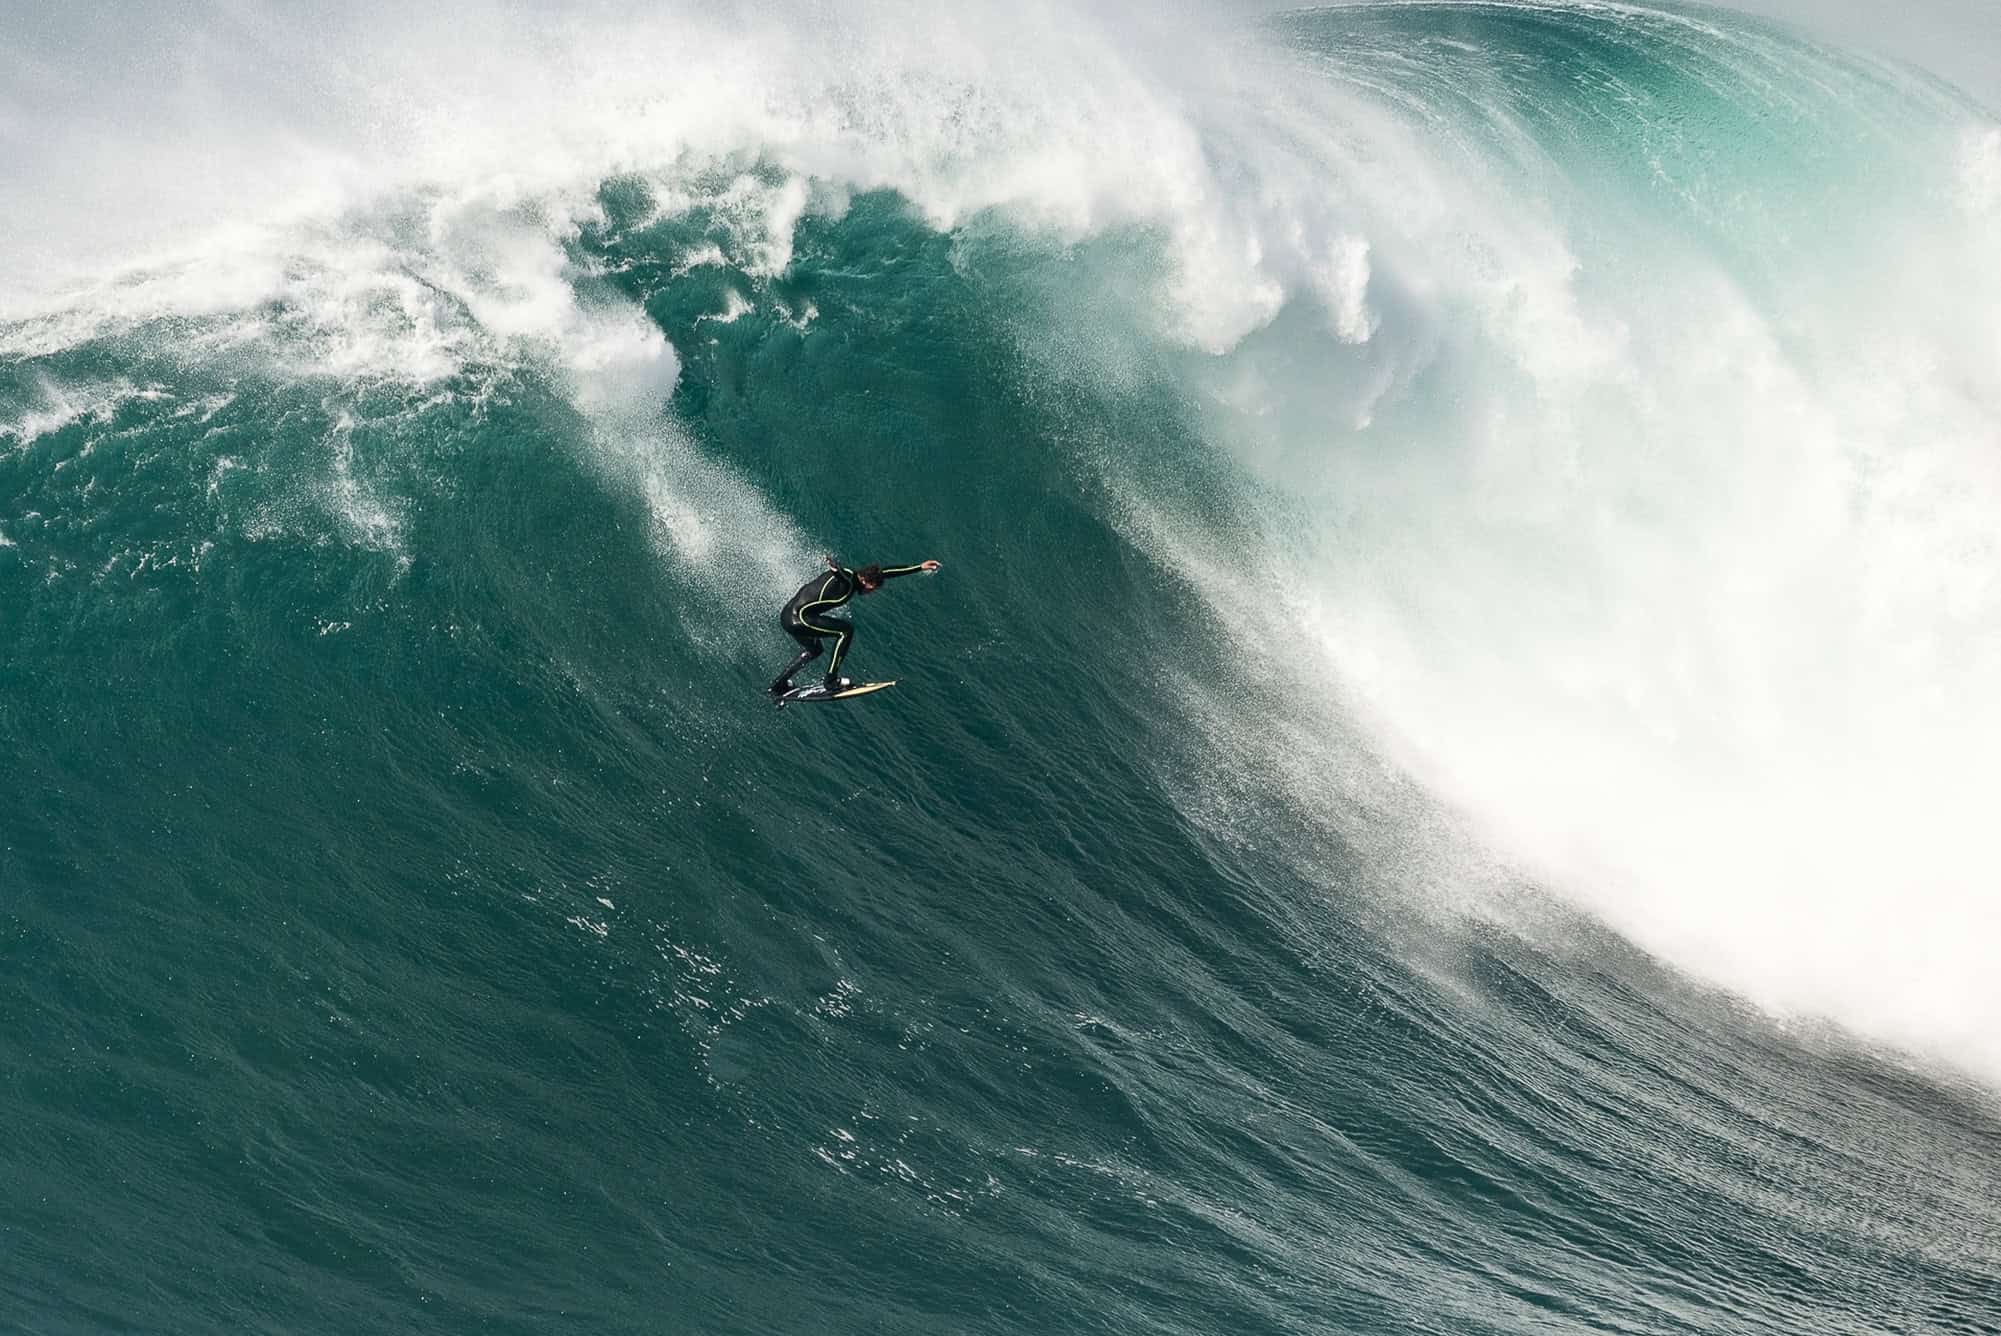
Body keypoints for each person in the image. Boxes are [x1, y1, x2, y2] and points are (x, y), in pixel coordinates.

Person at [767, 554, 943, 697]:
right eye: (873, 588)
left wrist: (919, 567)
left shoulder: (855, 576)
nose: (871, 592)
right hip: (800, 619)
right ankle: (830, 680)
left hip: (788, 616)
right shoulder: (849, 580)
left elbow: (885, 572)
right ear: (866, 581)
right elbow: (844, 578)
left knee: (815, 650)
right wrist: (836, 570)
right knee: (846, 631)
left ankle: (778, 685)